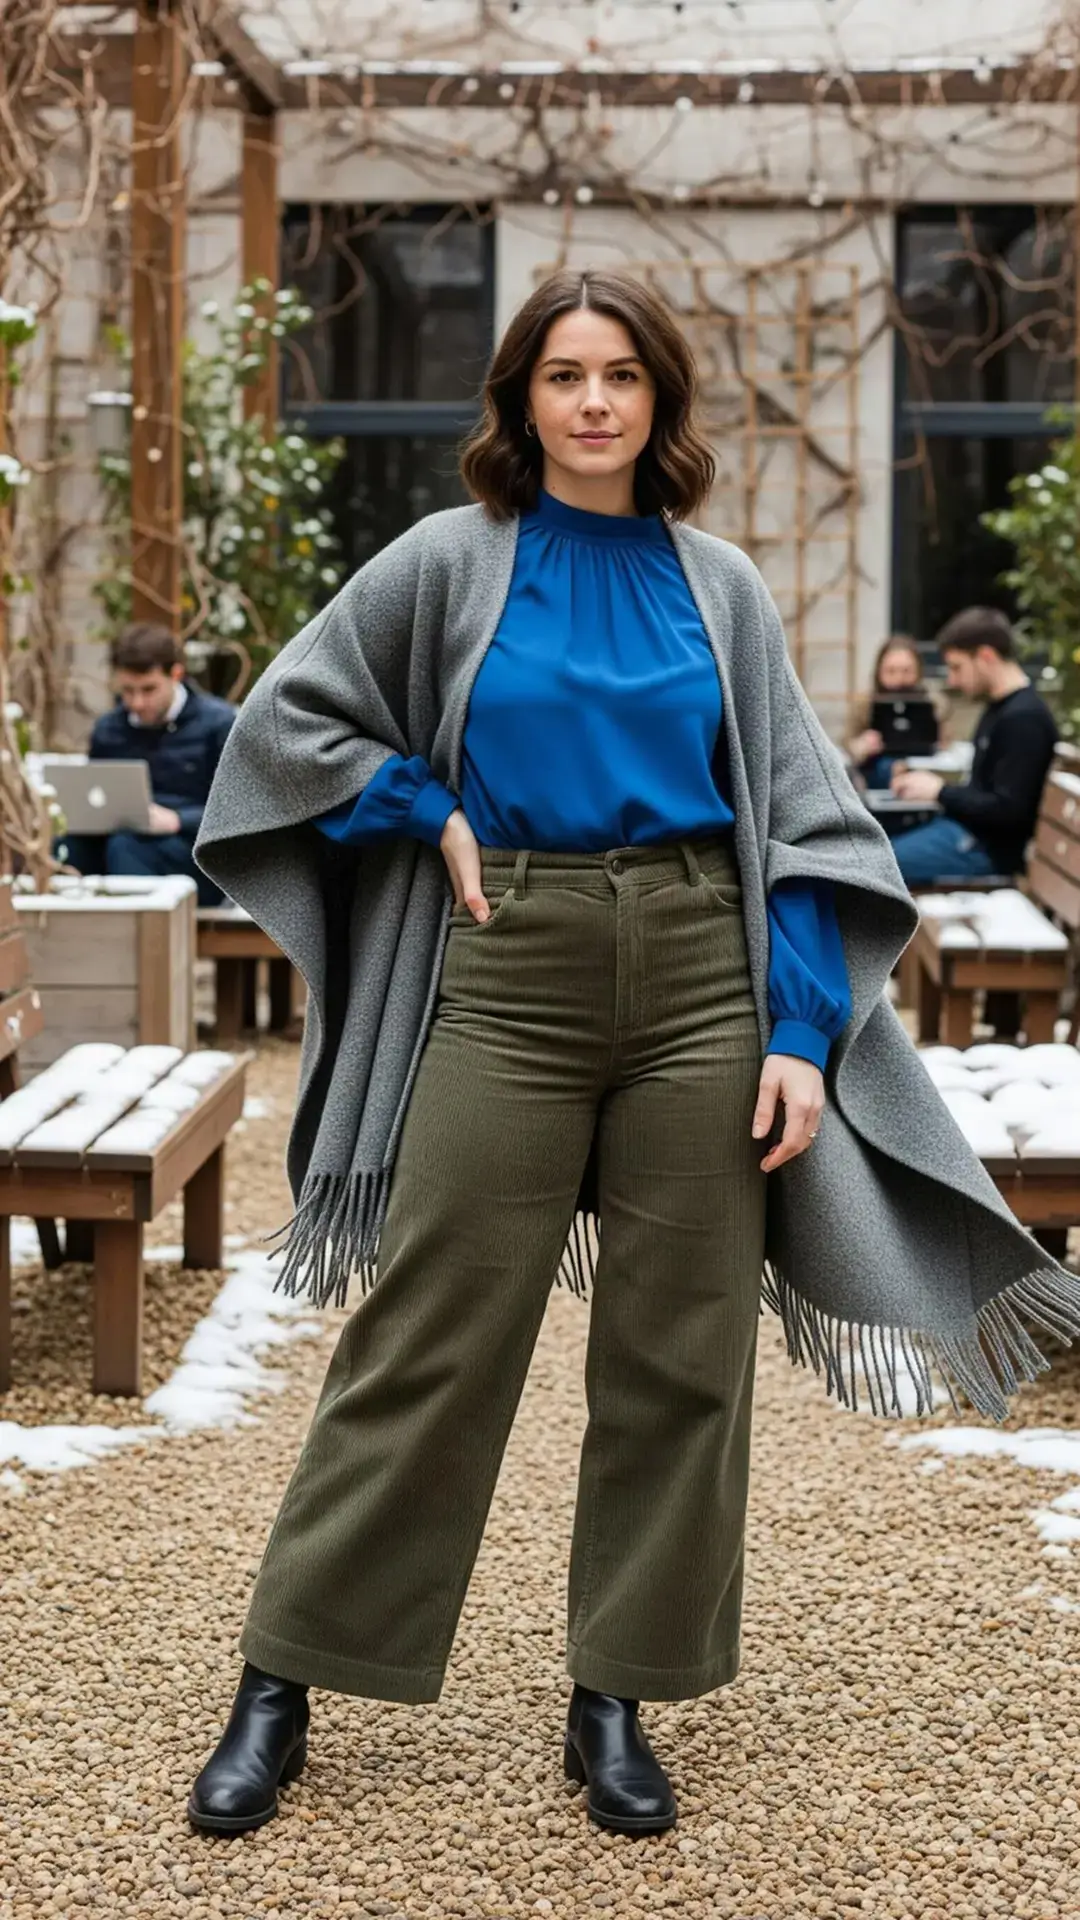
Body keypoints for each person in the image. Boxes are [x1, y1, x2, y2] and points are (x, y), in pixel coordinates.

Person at [189, 271, 1080, 1844]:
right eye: (561, 376)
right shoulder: (451, 561)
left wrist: (802, 1033)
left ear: (660, 401)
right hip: (508, 962)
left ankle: (620, 1692)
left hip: (696, 981)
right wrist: (426, 802)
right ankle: (286, 1672)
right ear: (520, 400)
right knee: (430, 1326)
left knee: (683, 1352)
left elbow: (804, 821)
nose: (592, 403)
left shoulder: (716, 584)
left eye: (621, 377)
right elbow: (288, 726)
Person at [61, 623, 235, 907]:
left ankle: (135, 947)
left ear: (176, 674)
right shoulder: (109, 729)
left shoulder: (218, 724)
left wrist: (178, 820)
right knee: (65, 850)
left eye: (148, 689)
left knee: (127, 847)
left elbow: (239, 812)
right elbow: (94, 797)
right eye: (127, 691)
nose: (137, 702)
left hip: (194, 852)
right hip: (123, 839)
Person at [888, 607, 1058, 887]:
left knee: (870, 869)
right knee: (872, 852)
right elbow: (985, 792)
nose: (952, 680)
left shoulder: (1024, 718)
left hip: (984, 851)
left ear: (986, 656)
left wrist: (939, 791)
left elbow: (1008, 812)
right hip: (964, 835)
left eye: (957, 667)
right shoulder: (1000, 708)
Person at [846, 634, 949, 791]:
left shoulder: (936, 703)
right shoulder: (864, 704)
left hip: (924, 770)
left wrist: (942, 740)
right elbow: (847, 746)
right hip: (877, 773)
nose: (899, 679)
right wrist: (861, 746)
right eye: (891, 671)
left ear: (918, 672)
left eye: (907, 671)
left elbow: (951, 747)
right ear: (879, 672)